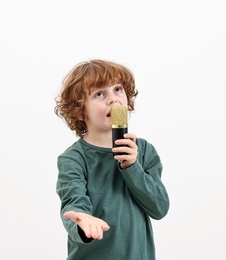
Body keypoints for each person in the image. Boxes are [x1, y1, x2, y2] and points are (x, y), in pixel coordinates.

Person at [54, 59, 170, 260]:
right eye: (99, 94)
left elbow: (159, 207)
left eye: (118, 89)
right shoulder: (73, 159)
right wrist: (82, 223)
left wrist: (133, 167)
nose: (113, 100)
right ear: (80, 111)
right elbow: (74, 203)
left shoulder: (143, 151)